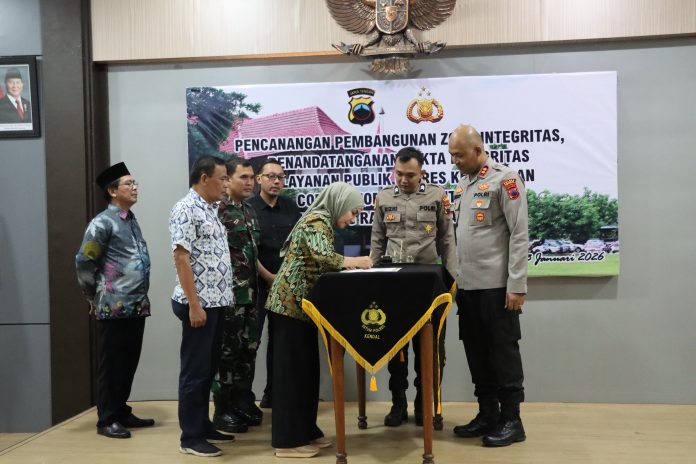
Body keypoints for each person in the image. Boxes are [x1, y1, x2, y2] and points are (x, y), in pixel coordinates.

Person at [266, 182, 373, 458]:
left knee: (306, 372)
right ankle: (287, 442)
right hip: (289, 306)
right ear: (340, 203)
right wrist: (357, 261)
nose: (353, 219)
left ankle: (305, 431)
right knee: (291, 375)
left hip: (302, 308)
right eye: (353, 212)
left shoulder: (323, 220)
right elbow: (323, 257)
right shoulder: (317, 219)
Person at [448, 124, 528, 447]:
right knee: (477, 352)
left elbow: (519, 234)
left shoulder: (505, 179)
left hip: (497, 287)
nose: (454, 161)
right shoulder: (462, 185)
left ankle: (512, 420)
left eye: (459, 155)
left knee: (502, 352)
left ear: (478, 151)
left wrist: (516, 284)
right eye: (451, 155)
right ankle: (487, 414)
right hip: (468, 288)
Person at [369, 147, 457, 428]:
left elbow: (447, 240)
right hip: (394, 284)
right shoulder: (384, 197)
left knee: (430, 348)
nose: (403, 180)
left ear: (422, 173)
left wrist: (453, 279)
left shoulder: (437, 196)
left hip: (428, 284)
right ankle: (398, 404)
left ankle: (424, 404)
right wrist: (371, 275)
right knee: (396, 347)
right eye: (399, 174)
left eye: (410, 175)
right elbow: (377, 241)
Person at [75, 162, 154, 439]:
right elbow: (84, 260)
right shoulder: (102, 223)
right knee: (112, 365)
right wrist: (92, 296)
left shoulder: (130, 219)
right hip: (112, 304)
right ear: (112, 191)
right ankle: (106, 419)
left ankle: (121, 411)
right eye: (128, 184)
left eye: (135, 183)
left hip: (136, 304)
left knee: (128, 362)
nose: (135, 188)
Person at [169, 155, 236, 457]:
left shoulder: (210, 209)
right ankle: (190, 437)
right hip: (198, 304)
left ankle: (203, 425)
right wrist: (194, 306)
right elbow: (181, 258)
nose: (226, 184)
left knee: (208, 370)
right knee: (194, 372)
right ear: (205, 178)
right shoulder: (185, 209)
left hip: (216, 302)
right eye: (222, 178)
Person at [213, 159, 265, 434]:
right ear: (228, 180)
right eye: (243, 177)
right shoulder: (218, 211)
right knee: (227, 352)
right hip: (229, 296)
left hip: (251, 295)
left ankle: (242, 401)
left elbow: (251, 255)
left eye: (251, 177)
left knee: (248, 350)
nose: (249, 182)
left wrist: (268, 277)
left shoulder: (249, 210)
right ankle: (222, 409)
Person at [247, 159, 302, 409]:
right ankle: (245, 400)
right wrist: (268, 277)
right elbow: (248, 250)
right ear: (259, 179)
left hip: (286, 287)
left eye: (281, 176)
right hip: (256, 287)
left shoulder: (290, 207)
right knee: (251, 342)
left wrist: (285, 278)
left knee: (280, 344)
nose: (276, 181)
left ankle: (274, 393)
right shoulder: (248, 209)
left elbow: (298, 243)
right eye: (271, 176)